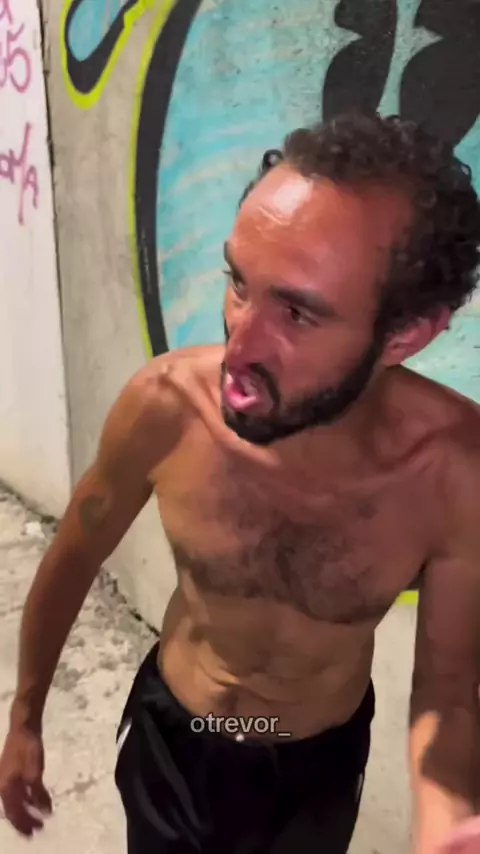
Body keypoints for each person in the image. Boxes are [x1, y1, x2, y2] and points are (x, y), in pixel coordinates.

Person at [1, 113, 480, 854]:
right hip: (175, 739)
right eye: (237, 283)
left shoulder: (455, 473)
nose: (237, 345)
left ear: (405, 335)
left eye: (297, 312)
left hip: (318, 767)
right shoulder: (165, 407)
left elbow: (448, 694)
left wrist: (445, 819)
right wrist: (25, 718)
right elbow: (75, 553)